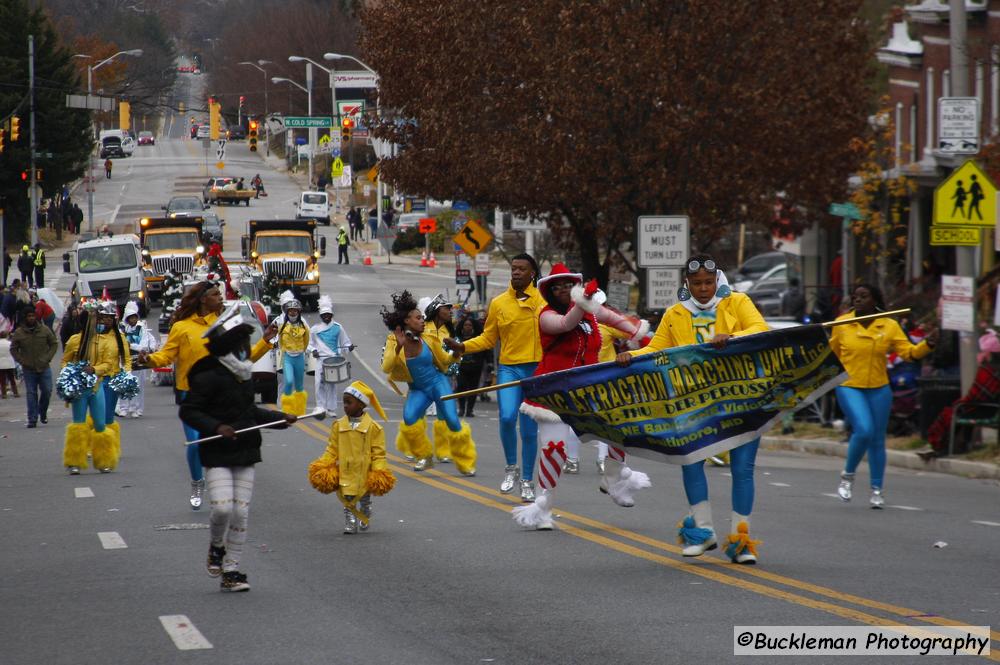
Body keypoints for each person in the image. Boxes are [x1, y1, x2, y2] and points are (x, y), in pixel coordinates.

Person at [617, 254, 769, 564]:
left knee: (742, 469)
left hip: (741, 396)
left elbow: (759, 329)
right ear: (687, 283)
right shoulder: (675, 313)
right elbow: (655, 349)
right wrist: (630, 357)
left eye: (708, 283)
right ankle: (702, 532)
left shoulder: (738, 302)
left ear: (717, 281)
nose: (703, 289)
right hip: (693, 401)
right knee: (691, 462)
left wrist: (733, 337)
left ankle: (741, 542)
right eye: (696, 283)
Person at [514, 264, 649, 530]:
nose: (563, 290)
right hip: (553, 392)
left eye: (568, 286)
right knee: (555, 450)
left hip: (587, 390)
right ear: (550, 292)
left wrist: (639, 334)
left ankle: (613, 477)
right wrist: (582, 302)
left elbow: (613, 319)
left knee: (619, 427)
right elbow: (566, 323)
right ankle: (543, 507)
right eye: (557, 287)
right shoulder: (546, 316)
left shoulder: (590, 316)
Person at [179, 303, 297, 592]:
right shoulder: (206, 374)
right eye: (244, 342)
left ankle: (231, 571)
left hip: (245, 451)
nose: (248, 347)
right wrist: (216, 427)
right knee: (222, 508)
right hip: (217, 452)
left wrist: (281, 419)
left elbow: (251, 414)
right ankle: (216, 547)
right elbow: (190, 411)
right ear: (232, 346)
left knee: (241, 513)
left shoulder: (244, 375)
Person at [140, 281, 278, 509]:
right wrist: (149, 360)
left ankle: (224, 486)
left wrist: (265, 341)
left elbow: (242, 361)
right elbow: (166, 356)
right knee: (196, 442)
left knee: (226, 439)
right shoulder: (182, 327)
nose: (220, 298)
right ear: (203, 299)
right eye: (216, 294)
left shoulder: (224, 326)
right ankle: (197, 482)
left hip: (223, 394)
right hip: (191, 394)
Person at [444, 254, 544, 501]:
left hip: (535, 370)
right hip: (509, 368)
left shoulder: (544, 300)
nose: (516, 273)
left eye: (522, 269)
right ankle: (512, 469)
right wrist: (462, 347)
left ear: (533, 273)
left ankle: (529, 481)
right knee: (507, 417)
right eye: (513, 268)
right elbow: (489, 339)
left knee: (530, 430)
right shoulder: (499, 303)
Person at [829, 283, 936, 507]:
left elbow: (908, 353)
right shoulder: (842, 323)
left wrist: (928, 344)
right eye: (855, 296)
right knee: (864, 430)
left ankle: (877, 489)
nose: (857, 300)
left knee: (877, 439)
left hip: (879, 387)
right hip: (849, 384)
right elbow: (831, 355)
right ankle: (847, 476)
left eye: (863, 296)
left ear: (874, 300)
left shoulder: (888, 325)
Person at [381, 290, 477, 476]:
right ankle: (424, 456)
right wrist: (399, 346)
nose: (423, 320)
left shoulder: (429, 339)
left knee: (451, 419)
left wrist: (457, 352)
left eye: (422, 317)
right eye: (418, 318)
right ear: (407, 321)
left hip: (437, 383)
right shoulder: (393, 340)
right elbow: (387, 367)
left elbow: (446, 360)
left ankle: (465, 461)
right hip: (418, 389)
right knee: (409, 418)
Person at [308, 380, 396, 534]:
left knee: (363, 497)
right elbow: (332, 449)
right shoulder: (338, 425)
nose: (345, 406)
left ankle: (365, 511)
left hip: (364, 471)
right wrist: (323, 465)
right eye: (344, 403)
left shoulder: (374, 428)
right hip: (346, 471)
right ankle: (350, 521)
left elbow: (378, 453)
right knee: (347, 499)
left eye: (349, 402)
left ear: (361, 405)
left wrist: (379, 472)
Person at [61, 301, 130, 473]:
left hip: (96, 386)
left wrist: (95, 369)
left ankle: (104, 460)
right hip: (80, 389)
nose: (99, 324)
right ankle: (75, 462)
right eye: (95, 321)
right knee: (79, 423)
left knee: (100, 423)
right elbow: (64, 361)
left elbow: (108, 364)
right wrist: (69, 375)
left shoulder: (103, 341)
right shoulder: (74, 341)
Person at [419, 294, 459, 462]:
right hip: (422, 378)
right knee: (417, 412)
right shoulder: (421, 328)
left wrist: (453, 372)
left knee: (444, 414)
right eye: (446, 308)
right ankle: (418, 449)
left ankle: (443, 451)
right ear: (436, 311)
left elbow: (456, 353)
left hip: (442, 377)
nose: (450, 311)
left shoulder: (449, 331)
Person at [10, 306, 56, 428]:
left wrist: (48, 358)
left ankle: (42, 411)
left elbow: (54, 344)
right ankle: (32, 418)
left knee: (47, 390)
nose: (31, 318)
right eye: (29, 316)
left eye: (33, 316)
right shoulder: (19, 333)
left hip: (44, 366)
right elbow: (13, 349)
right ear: (25, 318)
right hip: (29, 368)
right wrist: (21, 361)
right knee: (31, 393)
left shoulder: (44, 330)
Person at [308, 295, 353, 417]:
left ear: (331, 315)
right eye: (324, 315)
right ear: (321, 316)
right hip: (320, 360)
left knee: (331, 385)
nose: (326, 317)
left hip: (333, 359)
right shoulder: (314, 329)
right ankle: (320, 407)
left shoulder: (338, 327)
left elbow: (345, 342)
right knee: (319, 383)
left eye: (328, 314)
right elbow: (309, 344)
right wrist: (313, 350)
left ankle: (331, 408)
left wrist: (349, 347)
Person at [117, 301, 158, 418]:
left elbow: (144, 345)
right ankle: (124, 407)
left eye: (135, 317)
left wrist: (132, 346)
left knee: (138, 386)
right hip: (125, 360)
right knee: (124, 384)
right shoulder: (122, 329)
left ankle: (137, 408)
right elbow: (121, 344)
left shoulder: (142, 328)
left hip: (138, 360)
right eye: (130, 318)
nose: (133, 320)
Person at [276, 292, 310, 416]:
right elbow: (279, 342)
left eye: (295, 311)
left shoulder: (304, 325)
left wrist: (301, 350)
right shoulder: (282, 326)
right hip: (287, 357)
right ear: (287, 311)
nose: (293, 313)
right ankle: (287, 410)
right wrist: (285, 351)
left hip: (299, 357)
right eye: (290, 311)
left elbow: (306, 340)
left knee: (300, 385)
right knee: (289, 381)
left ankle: (299, 410)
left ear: (298, 312)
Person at [454, 316, 487, 418]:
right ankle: (462, 408)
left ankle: (469, 410)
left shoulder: (478, 338)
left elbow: (486, 351)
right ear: (462, 327)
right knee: (461, 387)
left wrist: (489, 364)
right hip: (461, 367)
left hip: (476, 368)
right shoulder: (457, 339)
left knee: (473, 389)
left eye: (470, 325)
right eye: (465, 325)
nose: (467, 327)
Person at [0, 330, 18, 398]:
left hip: (1, 363)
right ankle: (15, 392)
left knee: (2, 379)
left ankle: (4, 393)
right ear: (6, 336)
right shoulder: (10, 343)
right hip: (10, 362)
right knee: (12, 378)